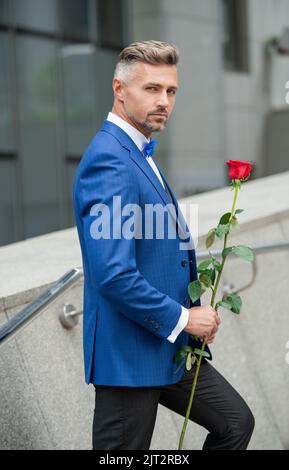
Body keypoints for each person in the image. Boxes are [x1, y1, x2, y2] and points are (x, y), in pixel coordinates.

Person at [73, 40, 255, 450]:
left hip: (167, 348)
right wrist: (184, 319)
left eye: (171, 91)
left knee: (234, 423)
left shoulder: (138, 151)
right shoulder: (110, 160)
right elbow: (113, 274)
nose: (164, 101)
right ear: (119, 89)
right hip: (129, 356)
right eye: (151, 89)